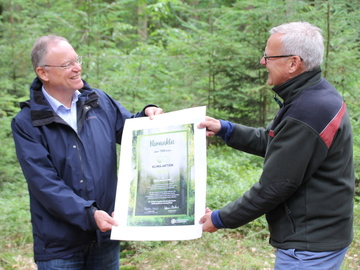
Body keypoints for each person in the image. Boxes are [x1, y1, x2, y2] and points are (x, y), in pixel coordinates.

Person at [198, 22, 354, 269]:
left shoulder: (308, 110)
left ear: (293, 63)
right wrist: (227, 129)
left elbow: (274, 186)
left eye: (268, 57)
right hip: (319, 234)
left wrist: (219, 218)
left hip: (308, 246)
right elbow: (279, 143)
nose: (262, 62)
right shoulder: (316, 95)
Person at [11, 35, 163, 269]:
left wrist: (148, 117)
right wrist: (89, 214)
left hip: (106, 238)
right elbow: (44, 183)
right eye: (67, 64)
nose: (78, 68)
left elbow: (131, 133)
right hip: (59, 247)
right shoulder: (27, 123)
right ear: (43, 73)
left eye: (77, 60)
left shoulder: (99, 101)